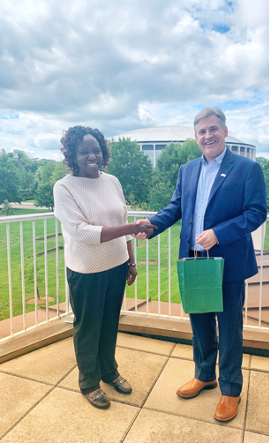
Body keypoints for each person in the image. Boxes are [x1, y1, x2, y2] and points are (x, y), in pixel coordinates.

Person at [136, 108, 267, 422]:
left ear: (224, 130)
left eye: (213, 129)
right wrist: (152, 224)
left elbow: (256, 212)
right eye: (201, 132)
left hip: (229, 262)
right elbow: (176, 207)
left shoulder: (248, 169)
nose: (207, 136)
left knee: (230, 328)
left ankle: (231, 389)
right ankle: (205, 374)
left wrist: (219, 233)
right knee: (200, 323)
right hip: (195, 261)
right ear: (196, 137)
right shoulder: (188, 169)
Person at [53, 126, 157, 410]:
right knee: (88, 327)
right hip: (86, 271)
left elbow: (121, 221)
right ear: (72, 155)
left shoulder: (112, 181)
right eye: (84, 151)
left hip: (116, 265)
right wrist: (132, 227)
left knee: (110, 323)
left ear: (103, 152)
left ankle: (109, 372)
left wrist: (131, 260)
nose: (91, 156)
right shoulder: (64, 187)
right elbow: (82, 232)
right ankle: (88, 382)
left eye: (96, 150)